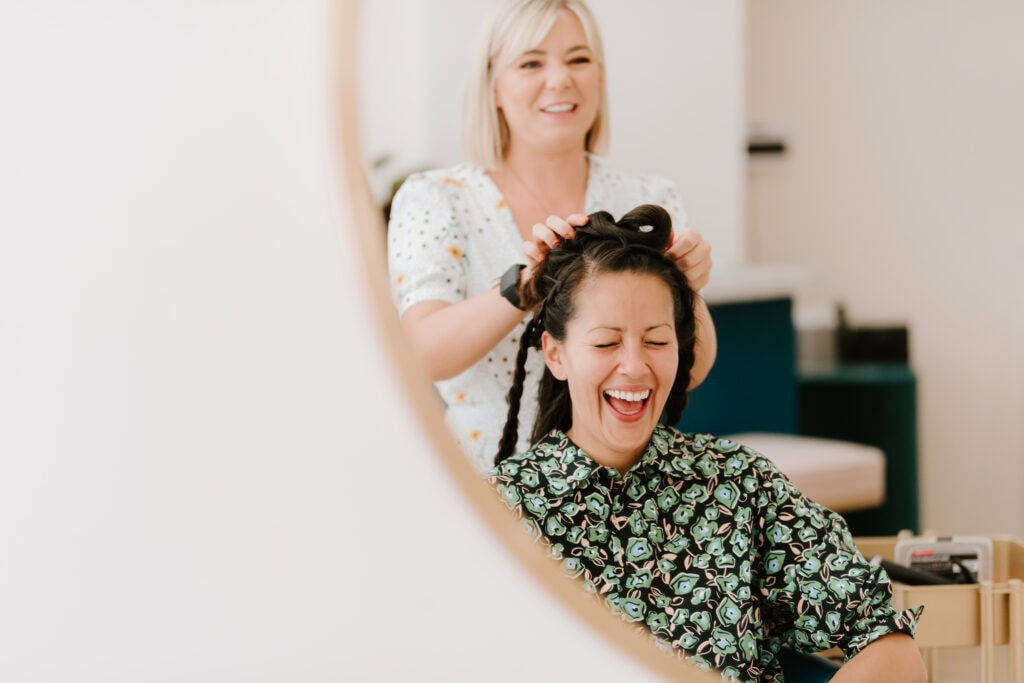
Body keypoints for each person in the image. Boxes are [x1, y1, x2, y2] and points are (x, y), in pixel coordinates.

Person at [489, 205, 926, 682]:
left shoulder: (737, 483)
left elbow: (888, 643)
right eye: (606, 343)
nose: (634, 367)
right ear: (556, 354)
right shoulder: (501, 513)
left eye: (657, 341)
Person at [387, 0, 716, 469]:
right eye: (531, 63)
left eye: (579, 59)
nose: (560, 79)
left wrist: (688, 288)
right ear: (493, 86)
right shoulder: (437, 198)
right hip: (485, 480)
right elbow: (423, 354)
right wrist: (527, 285)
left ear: (599, 76)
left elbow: (692, 367)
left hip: (624, 481)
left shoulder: (647, 198)